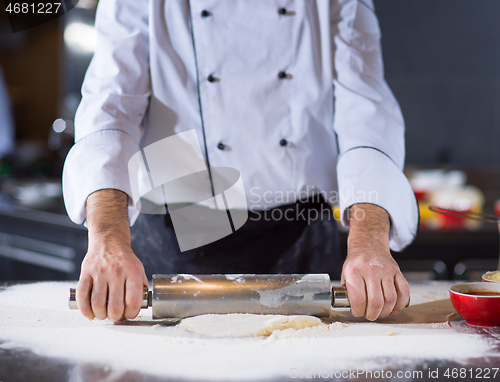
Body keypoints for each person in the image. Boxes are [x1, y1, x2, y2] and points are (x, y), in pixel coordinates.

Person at [62, 0, 419, 323]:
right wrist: (108, 238)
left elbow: (366, 113)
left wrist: (369, 241)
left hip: (302, 226)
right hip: (183, 220)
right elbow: (112, 108)